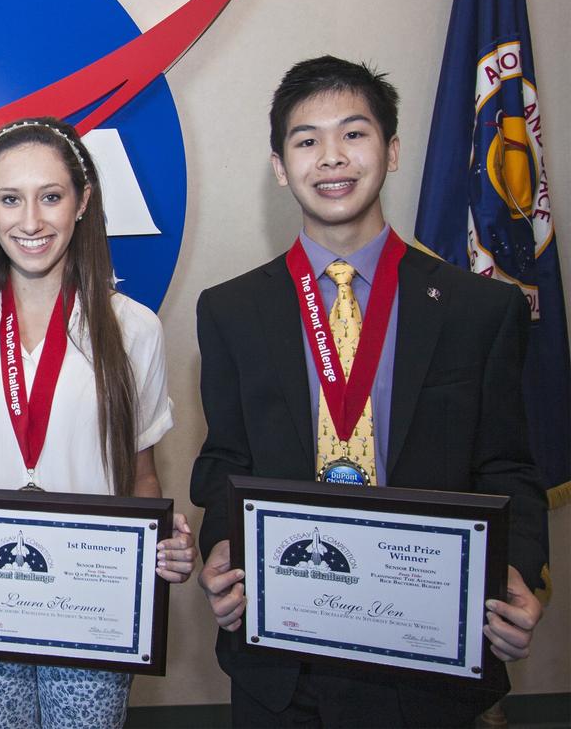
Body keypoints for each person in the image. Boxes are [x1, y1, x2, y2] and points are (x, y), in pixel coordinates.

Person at [190, 56, 549, 727]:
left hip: (427, 656)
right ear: (279, 165)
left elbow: (507, 466)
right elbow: (223, 462)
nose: (331, 157)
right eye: (306, 140)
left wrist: (521, 574)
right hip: (283, 657)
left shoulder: (478, 310)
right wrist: (221, 544)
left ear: (392, 148)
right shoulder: (231, 310)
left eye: (353, 134)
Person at [0, 117, 195, 729]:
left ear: (83, 201)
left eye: (51, 196)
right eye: (10, 198)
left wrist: (159, 534)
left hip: (93, 605)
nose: (31, 221)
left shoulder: (133, 330)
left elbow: (141, 475)